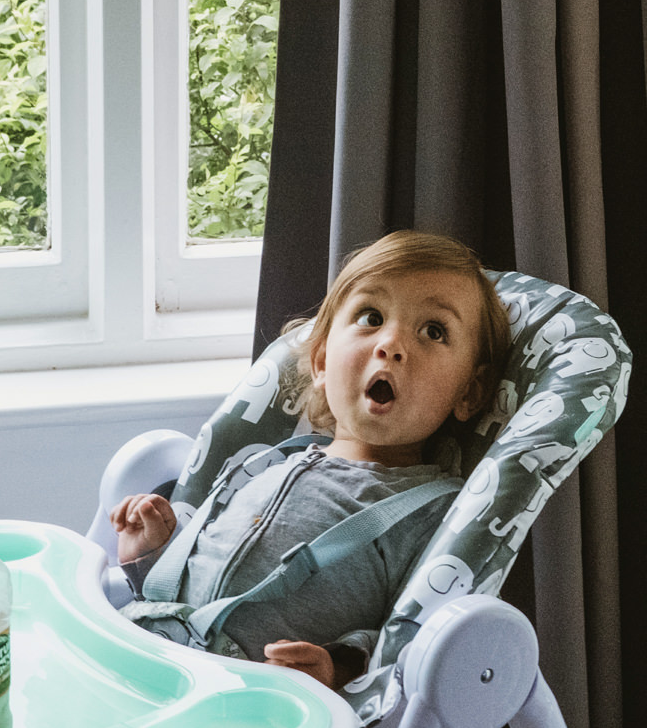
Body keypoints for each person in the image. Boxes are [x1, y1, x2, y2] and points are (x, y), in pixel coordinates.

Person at [111, 230, 511, 691]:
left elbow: (403, 642)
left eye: (434, 331)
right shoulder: (265, 464)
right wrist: (151, 556)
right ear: (321, 361)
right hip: (145, 650)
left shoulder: (431, 513)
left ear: (470, 392)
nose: (392, 344)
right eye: (371, 317)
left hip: (250, 699)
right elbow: (193, 578)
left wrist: (333, 670)